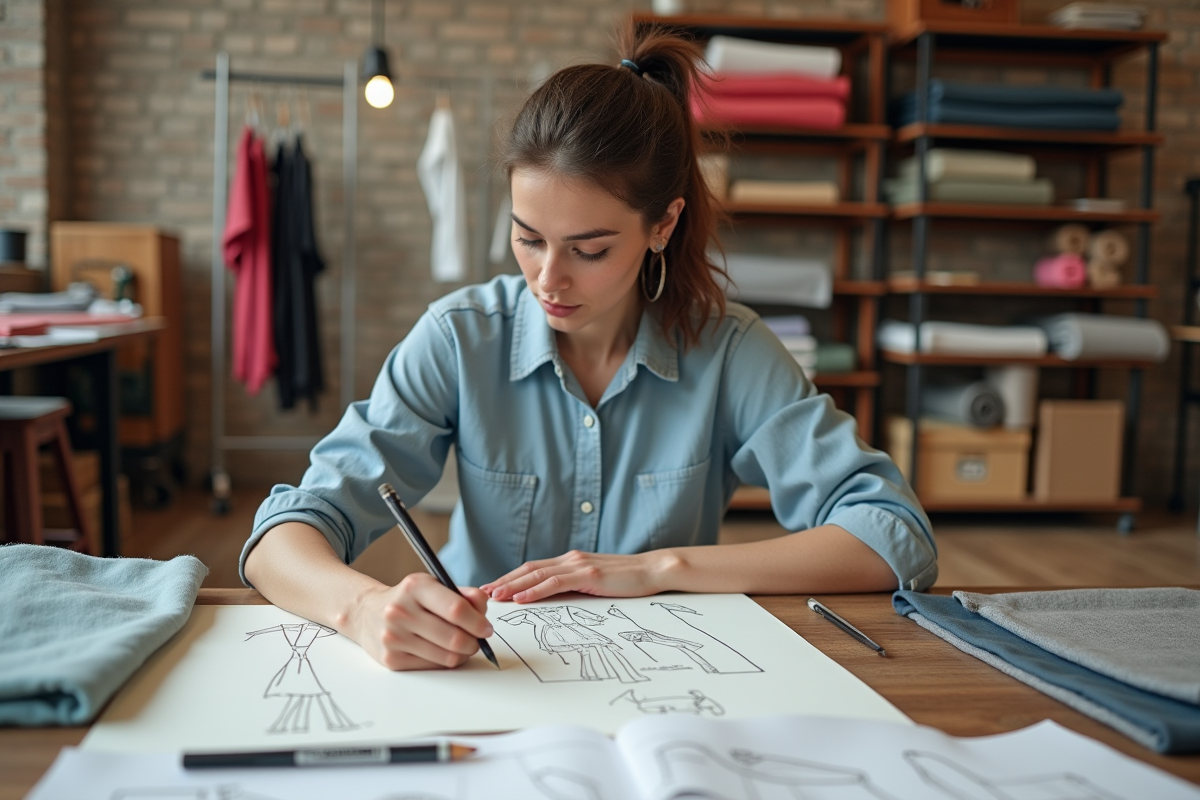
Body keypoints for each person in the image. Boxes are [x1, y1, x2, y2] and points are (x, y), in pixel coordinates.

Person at [241, 25, 937, 672]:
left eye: (590, 249)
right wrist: (363, 608)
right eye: (528, 237)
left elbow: (892, 534)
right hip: (490, 674)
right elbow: (284, 536)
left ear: (662, 224)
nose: (548, 279)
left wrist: (658, 570)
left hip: (663, 672)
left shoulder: (730, 352)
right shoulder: (459, 338)